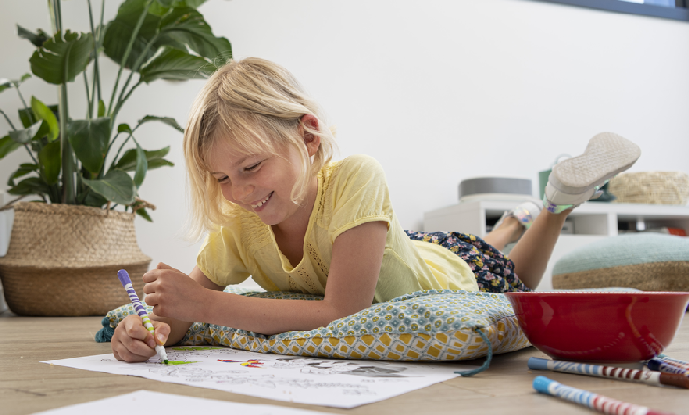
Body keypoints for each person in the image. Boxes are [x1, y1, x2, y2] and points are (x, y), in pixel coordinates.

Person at [111, 57, 641, 363]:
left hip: (451, 270)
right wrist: (149, 330)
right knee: (460, 242)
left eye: (251, 167)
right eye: (222, 179)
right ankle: (507, 224)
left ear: (309, 135)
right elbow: (180, 314)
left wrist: (204, 306)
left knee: (514, 275)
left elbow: (342, 313)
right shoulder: (241, 222)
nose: (240, 191)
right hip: (397, 246)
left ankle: (554, 204)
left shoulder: (358, 174)